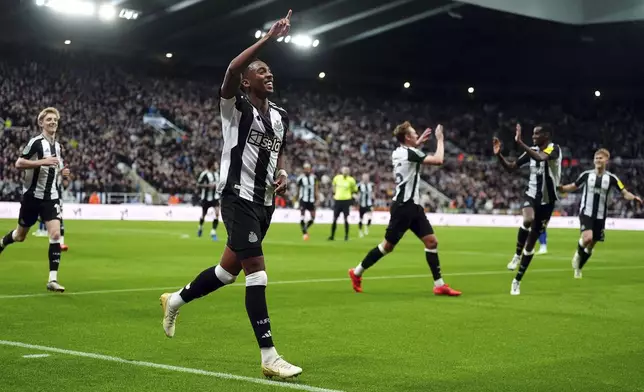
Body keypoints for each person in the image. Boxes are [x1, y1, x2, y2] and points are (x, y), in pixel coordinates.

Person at [159, 10, 302, 379]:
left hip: (265, 202)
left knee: (226, 272)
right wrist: (268, 38)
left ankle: (174, 300)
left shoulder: (280, 115)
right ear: (247, 81)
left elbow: (279, 148)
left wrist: (282, 172)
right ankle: (269, 356)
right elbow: (230, 70)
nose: (269, 75)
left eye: (270, 71)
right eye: (261, 71)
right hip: (236, 196)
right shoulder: (234, 106)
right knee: (258, 273)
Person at [348, 122, 461, 296]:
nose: (418, 135)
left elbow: (410, 150)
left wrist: (419, 142)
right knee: (387, 247)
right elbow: (438, 160)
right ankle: (356, 272)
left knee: (432, 242)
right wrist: (440, 139)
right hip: (403, 207)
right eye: (414, 133)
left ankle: (439, 285)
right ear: (407, 137)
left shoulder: (398, 152)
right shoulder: (410, 153)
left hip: (413, 206)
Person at [0, 107, 70, 292]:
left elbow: (56, 169)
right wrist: (42, 162)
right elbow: (19, 163)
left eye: (55, 119)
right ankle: (3, 242)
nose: (53, 122)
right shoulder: (35, 143)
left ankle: (52, 280)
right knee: (20, 236)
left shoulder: (58, 146)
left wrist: (64, 174)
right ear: (41, 123)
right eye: (49, 120)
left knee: (55, 234)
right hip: (32, 197)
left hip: (51, 197)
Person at [493, 123, 562, 295]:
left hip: (548, 201)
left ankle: (517, 281)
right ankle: (517, 254)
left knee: (530, 246)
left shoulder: (555, 150)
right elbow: (511, 168)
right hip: (531, 195)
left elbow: (540, 158)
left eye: (537, 134)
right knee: (527, 219)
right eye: (532, 135)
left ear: (546, 135)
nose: (533, 137)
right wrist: (499, 155)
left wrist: (520, 142)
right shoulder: (530, 150)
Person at [558, 148, 642, 278]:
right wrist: (562, 188)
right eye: (596, 158)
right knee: (588, 238)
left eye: (600, 158)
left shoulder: (612, 178)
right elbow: (574, 186)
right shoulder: (586, 175)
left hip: (601, 215)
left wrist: (634, 197)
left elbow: (624, 193)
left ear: (606, 161)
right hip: (586, 212)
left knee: (591, 246)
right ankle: (577, 254)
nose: (598, 160)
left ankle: (579, 268)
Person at [328, 167, 357, 241]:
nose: (345, 172)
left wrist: (350, 195)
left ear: (349, 172)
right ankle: (332, 236)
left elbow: (354, 189)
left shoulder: (351, 180)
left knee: (346, 219)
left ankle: (346, 236)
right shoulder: (337, 178)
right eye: (344, 170)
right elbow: (333, 185)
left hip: (346, 201)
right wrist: (335, 193)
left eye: (347, 171)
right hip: (338, 200)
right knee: (334, 219)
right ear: (341, 171)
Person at [196, 158, 220, 240]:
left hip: (215, 198)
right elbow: (198, 184)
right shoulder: (204, 174)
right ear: (212, 165)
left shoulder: (217, 174)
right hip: (206, 198)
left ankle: (213, 232)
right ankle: (200, 227)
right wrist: (208, 186)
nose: (217, 166)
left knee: (217, 213)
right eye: (216, 164)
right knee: (203, 215)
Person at [296, 163, 317, 241]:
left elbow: (316, 188)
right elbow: (298, 189)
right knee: (302, 215)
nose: (307, 170)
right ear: (304, 170)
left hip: (311, 200)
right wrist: (297, 198)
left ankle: (305, 228)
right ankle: (304, 232)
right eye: (306, 169)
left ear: (310, 169)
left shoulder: (314, 178)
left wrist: (317, 198)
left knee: (313, 217)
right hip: (303, 199)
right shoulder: (300, 178)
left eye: (308, 168)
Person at [357, 173, 374, 238]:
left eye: (367, 177)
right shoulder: (359, 185)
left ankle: (366, 226)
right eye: (364, 177)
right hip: (362, 204)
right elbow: (356, 193)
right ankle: (360, 231)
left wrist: (373, 198)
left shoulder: (371, 185)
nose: (366, 178)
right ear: (362, 178)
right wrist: (357, 197)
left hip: (369, 204)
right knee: (361, 219)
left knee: (370, 217)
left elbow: (373, 193)